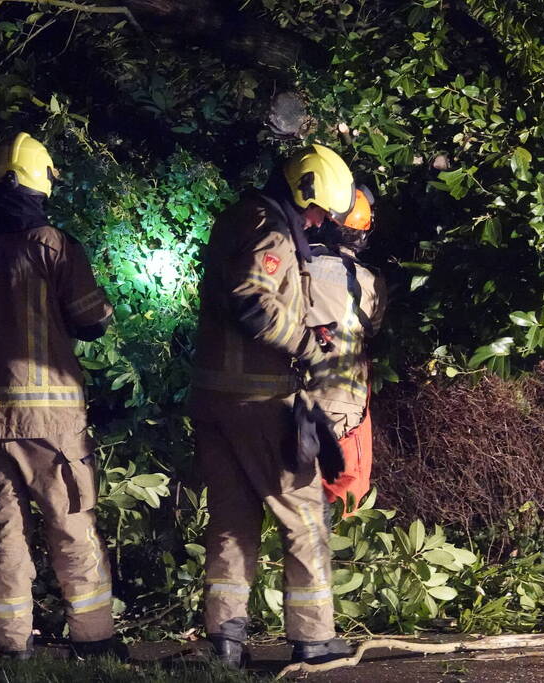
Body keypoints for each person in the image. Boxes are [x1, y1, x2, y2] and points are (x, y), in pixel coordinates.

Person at [0, 132, 118, 660]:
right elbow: (93, 321)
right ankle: (94, 639)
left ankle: (13, 645)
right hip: (52, 423)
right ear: (42, 185)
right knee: (71, 527)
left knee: (3, 532)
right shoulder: (55, 246)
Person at [188, 144, 357, 667]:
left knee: (232, 521)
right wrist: (310, 343)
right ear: (303, 193)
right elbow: (252, 299)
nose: (319, 222)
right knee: (304, 518)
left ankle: (225, 640)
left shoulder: (236, 217)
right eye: (318, 212)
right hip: (261, 399)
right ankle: (313, 636)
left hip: (215, 399)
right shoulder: (273, 231)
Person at [304, 188, 387, 514]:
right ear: (363, 236)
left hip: (285, 395)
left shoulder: (298, 263)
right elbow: (372, 329)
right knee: (343, 500)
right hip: (341, 408)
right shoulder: (370, 282)